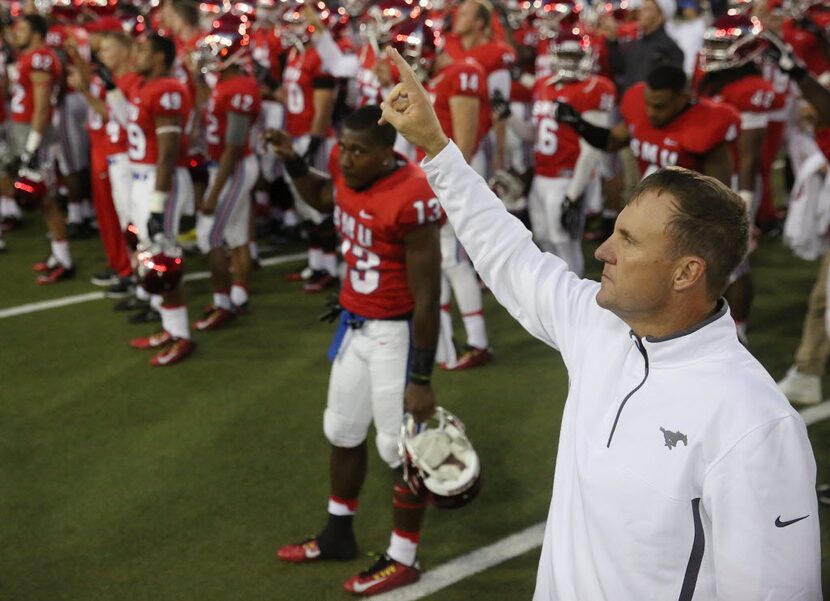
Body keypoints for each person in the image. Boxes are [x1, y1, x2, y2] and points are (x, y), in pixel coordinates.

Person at [379, 46, 821, 600]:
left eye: (630, 241)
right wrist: (436, 148)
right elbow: (511, 256)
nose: (605, 249)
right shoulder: (600, 325)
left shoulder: (753, 422)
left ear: (687, 272)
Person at [267, 105, 442, 596]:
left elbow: (428, 298)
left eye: (358, 150)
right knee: (342, 431)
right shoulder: (350, 175)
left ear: (389, 154)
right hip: (354, 326)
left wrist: (422, 379)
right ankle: (338, 533)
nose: (346, 158)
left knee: (398, 448)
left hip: (395, 334)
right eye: (343, 146)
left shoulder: (411, 196)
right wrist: (295, 163)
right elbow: (324, 196)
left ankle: (404, 556)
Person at [122, 33, 196, 366]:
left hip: (159, 181)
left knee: (164, 260)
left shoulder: (167, 89)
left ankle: (182, 336)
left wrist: (156, 203)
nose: (136, 54)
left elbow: (168, 153)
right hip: (143, 178)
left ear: (160, 58)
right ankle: (170, 327)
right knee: (150, 255)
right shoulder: (141, 86)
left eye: (143, 49)